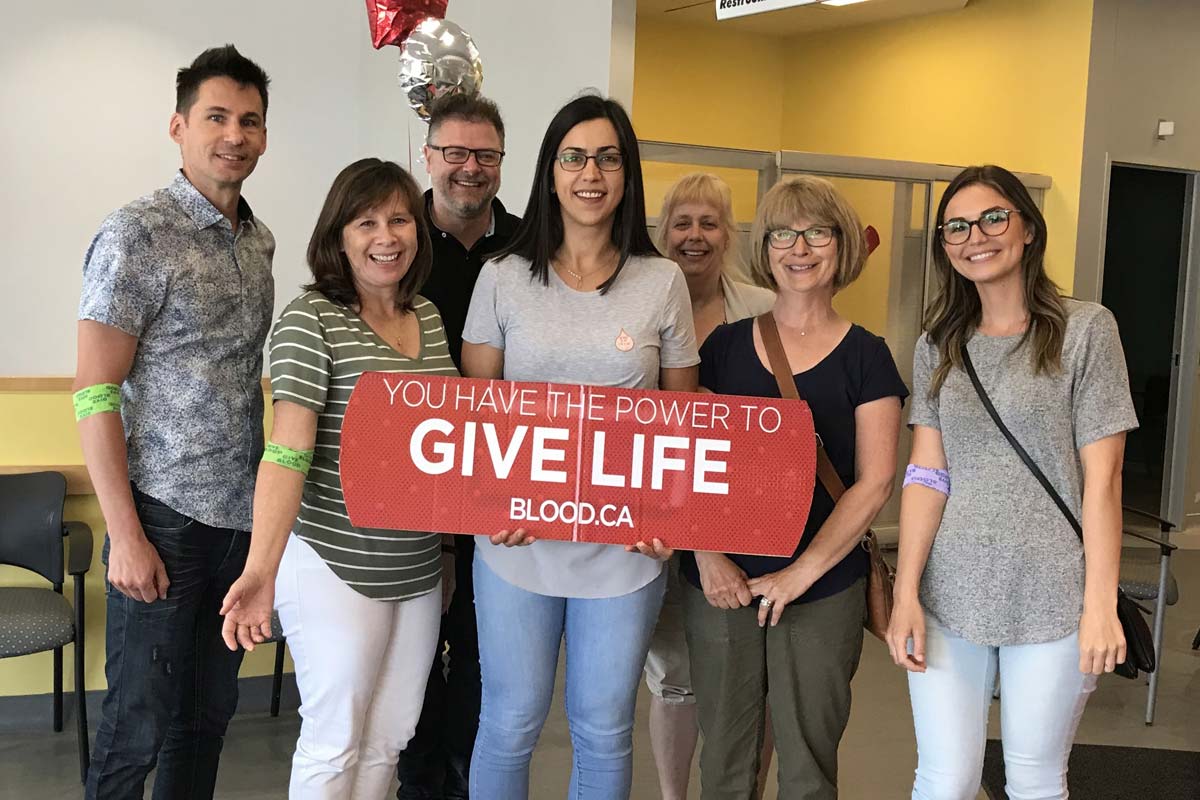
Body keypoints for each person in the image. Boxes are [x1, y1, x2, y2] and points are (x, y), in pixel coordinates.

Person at [460, 94, 699, 800]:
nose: (590, 173)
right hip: (516, 543)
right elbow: (479, 415)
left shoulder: (662, 282)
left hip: (624, 553)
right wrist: (486, 502)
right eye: (574, 157)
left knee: (602, 729)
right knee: (509, 722)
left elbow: (679, 419)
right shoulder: (501, 277)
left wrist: (671, 520)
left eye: (607, 157)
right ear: (550, 172)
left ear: (626, 175)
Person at [885, 165, 1137, 800]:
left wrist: (1101, 605)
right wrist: (906, 591)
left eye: (994, 217)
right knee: (944, 781)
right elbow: (926, 473)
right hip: (951, 590)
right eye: (957, 227)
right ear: (944, 245)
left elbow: (1103, 482)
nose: (977, 236)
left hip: (1054, 592)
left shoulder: (1086, 331)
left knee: (1033, 780)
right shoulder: (938, 341)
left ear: (1027, 227)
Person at [219, 158, 455, 799]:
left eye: (400, 219)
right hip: (334, 564)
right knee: (335, 740)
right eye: (367, 222)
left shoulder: (428, 319)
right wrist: (261, 572)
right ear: (339, 236)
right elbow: (287, 454)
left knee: (390, 737)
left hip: (417, 571)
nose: (387, 236)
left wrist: (449, 551)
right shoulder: (310, 319)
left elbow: (448, 452)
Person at [74, 45, 273, 800]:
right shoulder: (136, 234)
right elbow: (94, 392)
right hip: (159, 519)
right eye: (216, 116)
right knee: (134, 729)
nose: (234, 135)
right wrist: (124, 535)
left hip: (237, 521)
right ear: (178, 126)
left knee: (205, 722)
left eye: (250, 121)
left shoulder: (260, 243)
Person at [679, 175, 907, 800]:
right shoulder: (722, 349)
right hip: (721, 582)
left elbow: (875, 480)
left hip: (823, 583)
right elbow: (686, 459)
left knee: (808, 762)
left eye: (816, 232)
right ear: (766, 246)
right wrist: (707, 555)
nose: (798, 247)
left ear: (843, 247)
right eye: (783, 232)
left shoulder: (869, 357)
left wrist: (800, 574)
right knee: (724, 757)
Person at [398, 92, 520, 800]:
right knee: (410, 671)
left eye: (485, 156)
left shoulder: (537, 245)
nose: (469, 168)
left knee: (486, 669)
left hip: (506, 500)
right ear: (429, 156)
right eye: (454, 153)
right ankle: (419, 786)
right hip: (413, 500)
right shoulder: (393, 239)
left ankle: (470, 781)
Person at [644, 172, 775, 800]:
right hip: (653, 528)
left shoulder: (768, 310)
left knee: (756, 680)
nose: (694, 236)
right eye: (682, 222)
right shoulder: (634, 301)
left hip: (747, 531)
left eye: (709, 222)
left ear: (729, 235)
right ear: (662, 232)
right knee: (674, 677)